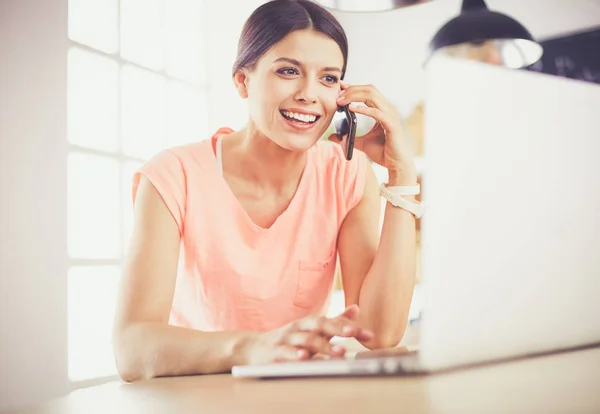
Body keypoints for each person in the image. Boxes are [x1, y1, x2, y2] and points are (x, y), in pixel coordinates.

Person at [112, 0, 419, 382]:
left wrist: (402, 172)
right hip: (198, 397)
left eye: (328, 78)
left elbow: (381, 332)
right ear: (243, 81)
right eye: (288, 71)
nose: (309, 94)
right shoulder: (173, 175)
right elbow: (132, 347)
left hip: (295, 397)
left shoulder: (347, 172)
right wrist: (253, 348)